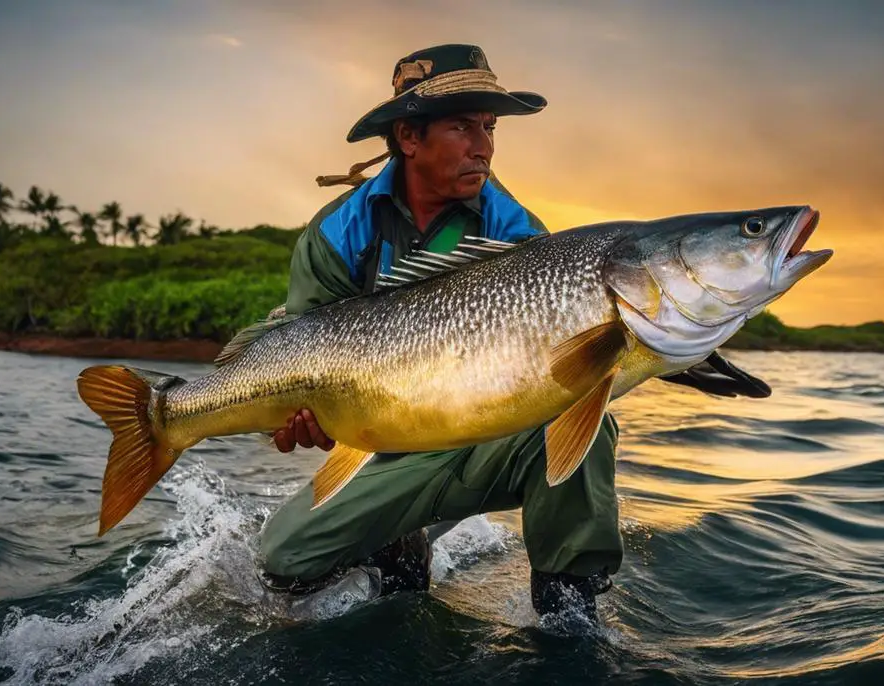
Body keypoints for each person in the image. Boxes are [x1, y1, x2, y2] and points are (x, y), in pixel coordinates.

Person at [255, 43, 771, 620]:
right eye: (461, 126)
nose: (484, 145)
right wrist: (300, 423)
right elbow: (299, 346)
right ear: (408, 137)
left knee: (587, 421)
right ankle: (396, 540)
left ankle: (569, 616)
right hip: (387, 450)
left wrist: (690, 353)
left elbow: (586, 351)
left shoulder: (520, 233)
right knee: (285, 562)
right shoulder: (337, 232)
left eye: (490, 127)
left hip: (489, 444)